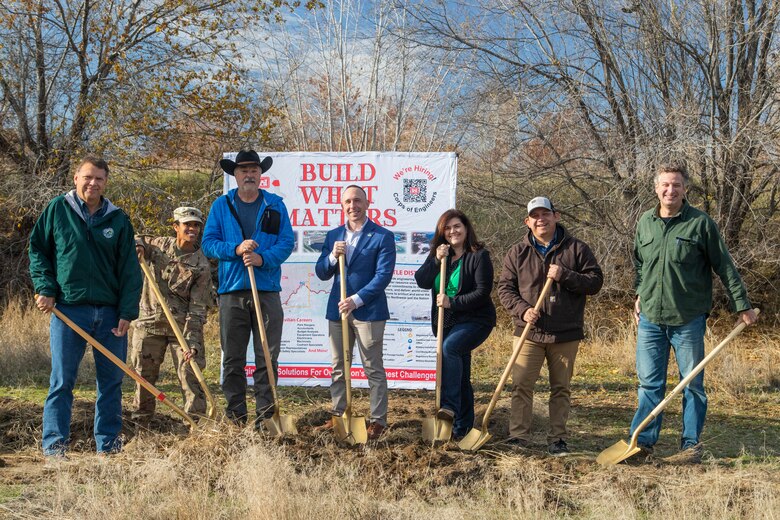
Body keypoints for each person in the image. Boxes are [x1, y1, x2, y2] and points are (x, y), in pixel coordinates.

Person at [629, 162, 758, 463]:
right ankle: (643, 443)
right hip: (650, 319)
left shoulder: (700, 224)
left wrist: (743, 305)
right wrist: (638, 294)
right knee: (649, 384)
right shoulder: (645, 222)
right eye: (665, 184)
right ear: (656, 188)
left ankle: (690, 446)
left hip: (687, 320)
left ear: (685, 188)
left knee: (692, 385)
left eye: (676, 184)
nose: (670, 190)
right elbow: (639, 263)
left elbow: (724, 266)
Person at [29, 156, 143, 457]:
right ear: (76, 178)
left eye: (99, 179)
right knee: (62, 380)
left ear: (106, 183)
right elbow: (38, 250)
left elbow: (130, 270)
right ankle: (55, 448)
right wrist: (45, 288)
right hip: (68, 310)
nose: (93, 184)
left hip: (109, 315)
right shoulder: (57, 210)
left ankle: (108, 447)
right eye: (88, 178)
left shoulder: (118, 219)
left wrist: (126, 313)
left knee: (111, 383)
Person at [498, 196, 603, 455]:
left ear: (556, 216)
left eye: (546, 213)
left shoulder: (576, 249)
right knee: (521, 384)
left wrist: (564, 275)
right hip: (529, 332)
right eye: (535, 215)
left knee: (560, 388)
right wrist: (523, 311)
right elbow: (505, 289)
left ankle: (557, 439)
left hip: (565, 332)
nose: (541, 219)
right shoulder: (517, 252)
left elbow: (595, 282)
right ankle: (519, 437)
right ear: (528, 221)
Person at [202, 150, 294, 427]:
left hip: (266, 291)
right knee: (232, 359)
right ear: (235, 175)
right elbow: (208, 243)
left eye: (254, 170)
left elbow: (286, 243)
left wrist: (263, 259)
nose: (249, 175)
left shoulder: (275, 205)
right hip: (232, 291)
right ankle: (236, 417)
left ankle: (265, 418)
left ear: (261, 174)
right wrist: (236, 248)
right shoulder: (221, 206)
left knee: (267, 356)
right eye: (243, 170)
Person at [315, 185, 396, 441]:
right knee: (339, 366)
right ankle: (340, 414)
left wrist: (356, 300)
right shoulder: (333, 236)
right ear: (342, 205)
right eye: (348, 201)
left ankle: (378, 420)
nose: (353, 206)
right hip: (337, 311)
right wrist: (331, 256)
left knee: (372, 367)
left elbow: (383, 276)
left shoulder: (382, 236)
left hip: (368, 311)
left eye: (358, 201)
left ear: (367, 203)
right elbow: (321, 272)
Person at [414, 209, 495, 441]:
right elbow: (421, 281)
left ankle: (449, 407)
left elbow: (482, 292)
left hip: (476, 320)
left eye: (457, 226)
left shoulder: (479, 256)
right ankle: (464, 426)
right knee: (461, 375)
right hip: (448, 322)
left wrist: (452, 301)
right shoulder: (441, 255)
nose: (453, 231)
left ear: (466, 228)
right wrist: (436, 259)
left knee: (450, 348)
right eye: (447, 228)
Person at [131, 206, 212, 426]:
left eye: (196, 225)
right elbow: (137, 238)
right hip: (150, 323)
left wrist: (192, 343)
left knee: (190, 375)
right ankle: (141, 424)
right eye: (187, 225)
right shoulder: (159, 246)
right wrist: (138, 246)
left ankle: (194, 427)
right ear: (176, 227)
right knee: (143, 377)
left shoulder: (201, 265)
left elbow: (197, 308)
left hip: (181, 330)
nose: (192, 229)